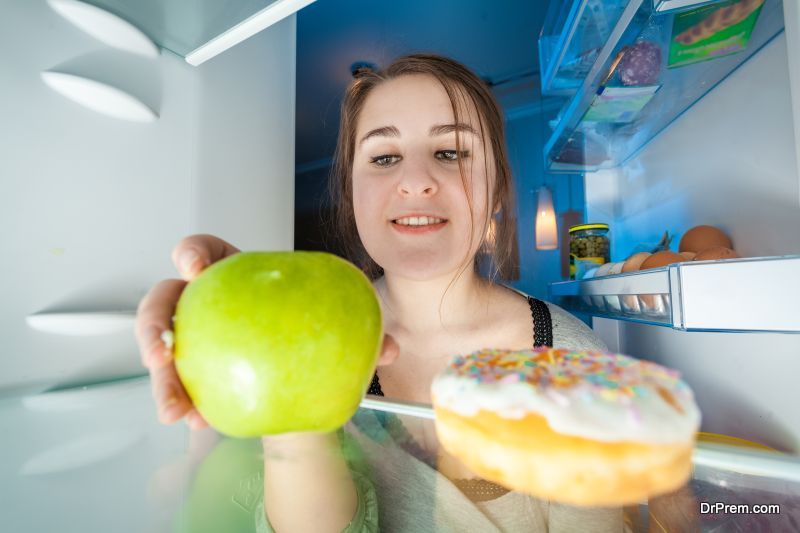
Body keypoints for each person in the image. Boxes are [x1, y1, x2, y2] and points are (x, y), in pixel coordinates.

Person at [136, 54, 625, 532]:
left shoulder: (577, 362)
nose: (415, 182)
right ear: (352, 192)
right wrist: (257, 335)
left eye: (451, 152)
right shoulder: (312, 339)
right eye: (384, 157)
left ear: (497, 188)